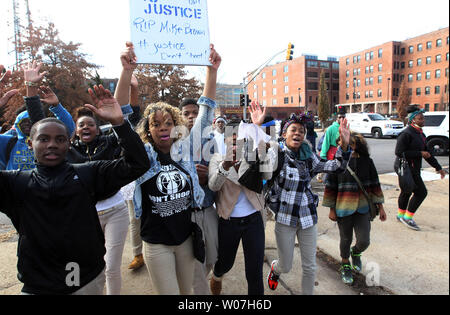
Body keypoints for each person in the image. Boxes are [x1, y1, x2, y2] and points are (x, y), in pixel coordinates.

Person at [0, 85, 150, 295]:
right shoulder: (15, 184)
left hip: (86, 282)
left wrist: (119, 123)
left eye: (60, 139)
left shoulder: (88, 174)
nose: (52, 144)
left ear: (69, 144)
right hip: (37, 286)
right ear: (30, 143)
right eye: (43, 139)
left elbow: (138, 164)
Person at [115, 42, 221, 295]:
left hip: (185, 241)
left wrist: (212, 70)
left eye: (169, 122)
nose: (163, 127)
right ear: (148, 130)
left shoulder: (186, 151)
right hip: (156, 244)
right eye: (156, 124)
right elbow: (118, 115)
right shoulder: (143, 157)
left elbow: (205, 112)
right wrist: (126, 71)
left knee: (187, 294)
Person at [265, 112, 352, 295]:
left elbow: (336, 167)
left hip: (307, 217)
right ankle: (276, 269)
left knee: (310, 267)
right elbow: (260, 168)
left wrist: (343, 145)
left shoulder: (308, 156)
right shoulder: (276, 154)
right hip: (285, 218)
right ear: (284, 134)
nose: (298, 134)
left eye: (302, 131)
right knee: (286, 265)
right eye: (293, 130)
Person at [208, 104, 272, 295]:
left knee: (254, 272)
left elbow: (267, 175)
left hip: (253, 220)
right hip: (229, 222)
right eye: (232, 138)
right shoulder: (217, 159)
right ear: (225, 139)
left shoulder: (252, 157)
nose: (236, 143)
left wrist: (257, 127)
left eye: (241, 139)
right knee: (225, 263)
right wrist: (226, 165)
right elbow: (213, 186)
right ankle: (217, 275)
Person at [67, 105, 130, 295]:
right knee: (91, 268)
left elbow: (127, 126)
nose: (86, 127)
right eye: (81, 125)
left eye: (91, 124)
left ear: (97, 128)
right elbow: (41, 126)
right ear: (76, 130)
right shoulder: (68, 150)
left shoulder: (110, 143)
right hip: (84, 217)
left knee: (111, 268)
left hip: (116, 212)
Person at [323, 132, 387, 284]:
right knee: (345, 238)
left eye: (349, 144)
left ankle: (356, 252)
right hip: (343, 207)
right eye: (342, 144)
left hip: (363, 208)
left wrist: (381, 207)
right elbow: (330, 186)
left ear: (357, 146)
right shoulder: (337, 162)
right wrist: (331, 209)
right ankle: (345, 264)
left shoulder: (367, 162)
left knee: (364, 240)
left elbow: (374, 184)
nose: (346, 147)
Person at [0, 62, 75, 171]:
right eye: (23, 122)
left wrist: (57, 107)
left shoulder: (49, 141)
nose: (27, 125)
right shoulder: (9, 143)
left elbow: (68, 129)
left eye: (30, 122)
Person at [180, 98, 219, 295]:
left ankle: (202, 282)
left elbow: (218, 176)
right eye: (186, 113)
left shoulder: (211, 142)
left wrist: (207, 177)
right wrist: (190, 177)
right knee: (194, 262)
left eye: (195, 112)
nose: (191, 116)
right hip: (185, 215)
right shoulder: (173, 144)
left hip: (208, 209)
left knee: (212, 258)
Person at [394, 105, 446, 231]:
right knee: (421, 192)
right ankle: (407, 217)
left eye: (423, 119)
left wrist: (438, 168)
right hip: (405, 168)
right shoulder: (406, 134)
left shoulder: (421, 134)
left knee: (406, 191)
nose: (423, 121)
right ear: (413, 120)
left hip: (413, 168)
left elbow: (427, 153)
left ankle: (401, 215)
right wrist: (419, 153)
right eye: (420, 119)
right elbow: (399, 152)